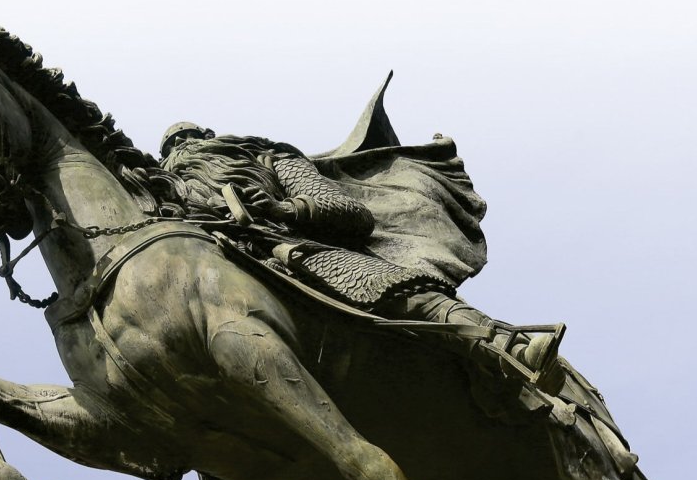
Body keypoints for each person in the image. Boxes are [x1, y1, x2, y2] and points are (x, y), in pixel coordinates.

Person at [159, 121, 567, 395]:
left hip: (298, 250)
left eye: (188, 137)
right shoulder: (167, 193)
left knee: (384, 285)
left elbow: (351, 214)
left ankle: (503, 347)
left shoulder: (272, 159)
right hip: (224, 271)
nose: (181, 148)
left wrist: (284, 210)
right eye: (171, 147)